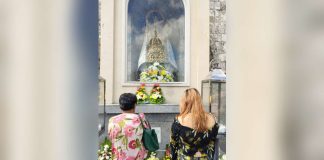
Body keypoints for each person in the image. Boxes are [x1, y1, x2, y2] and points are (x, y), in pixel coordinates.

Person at [170, 88, 219, 160]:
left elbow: (173, 145)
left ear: (184, 102)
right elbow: (212, 143)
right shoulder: (212, 118)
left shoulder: (179, 120)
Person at [108, 93, 149, 160]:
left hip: (119, 157)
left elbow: (112, 138)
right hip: (137, 157)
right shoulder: (141, 119)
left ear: (120, 105)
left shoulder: (112, 120)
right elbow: (147, 137)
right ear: (135, 105)